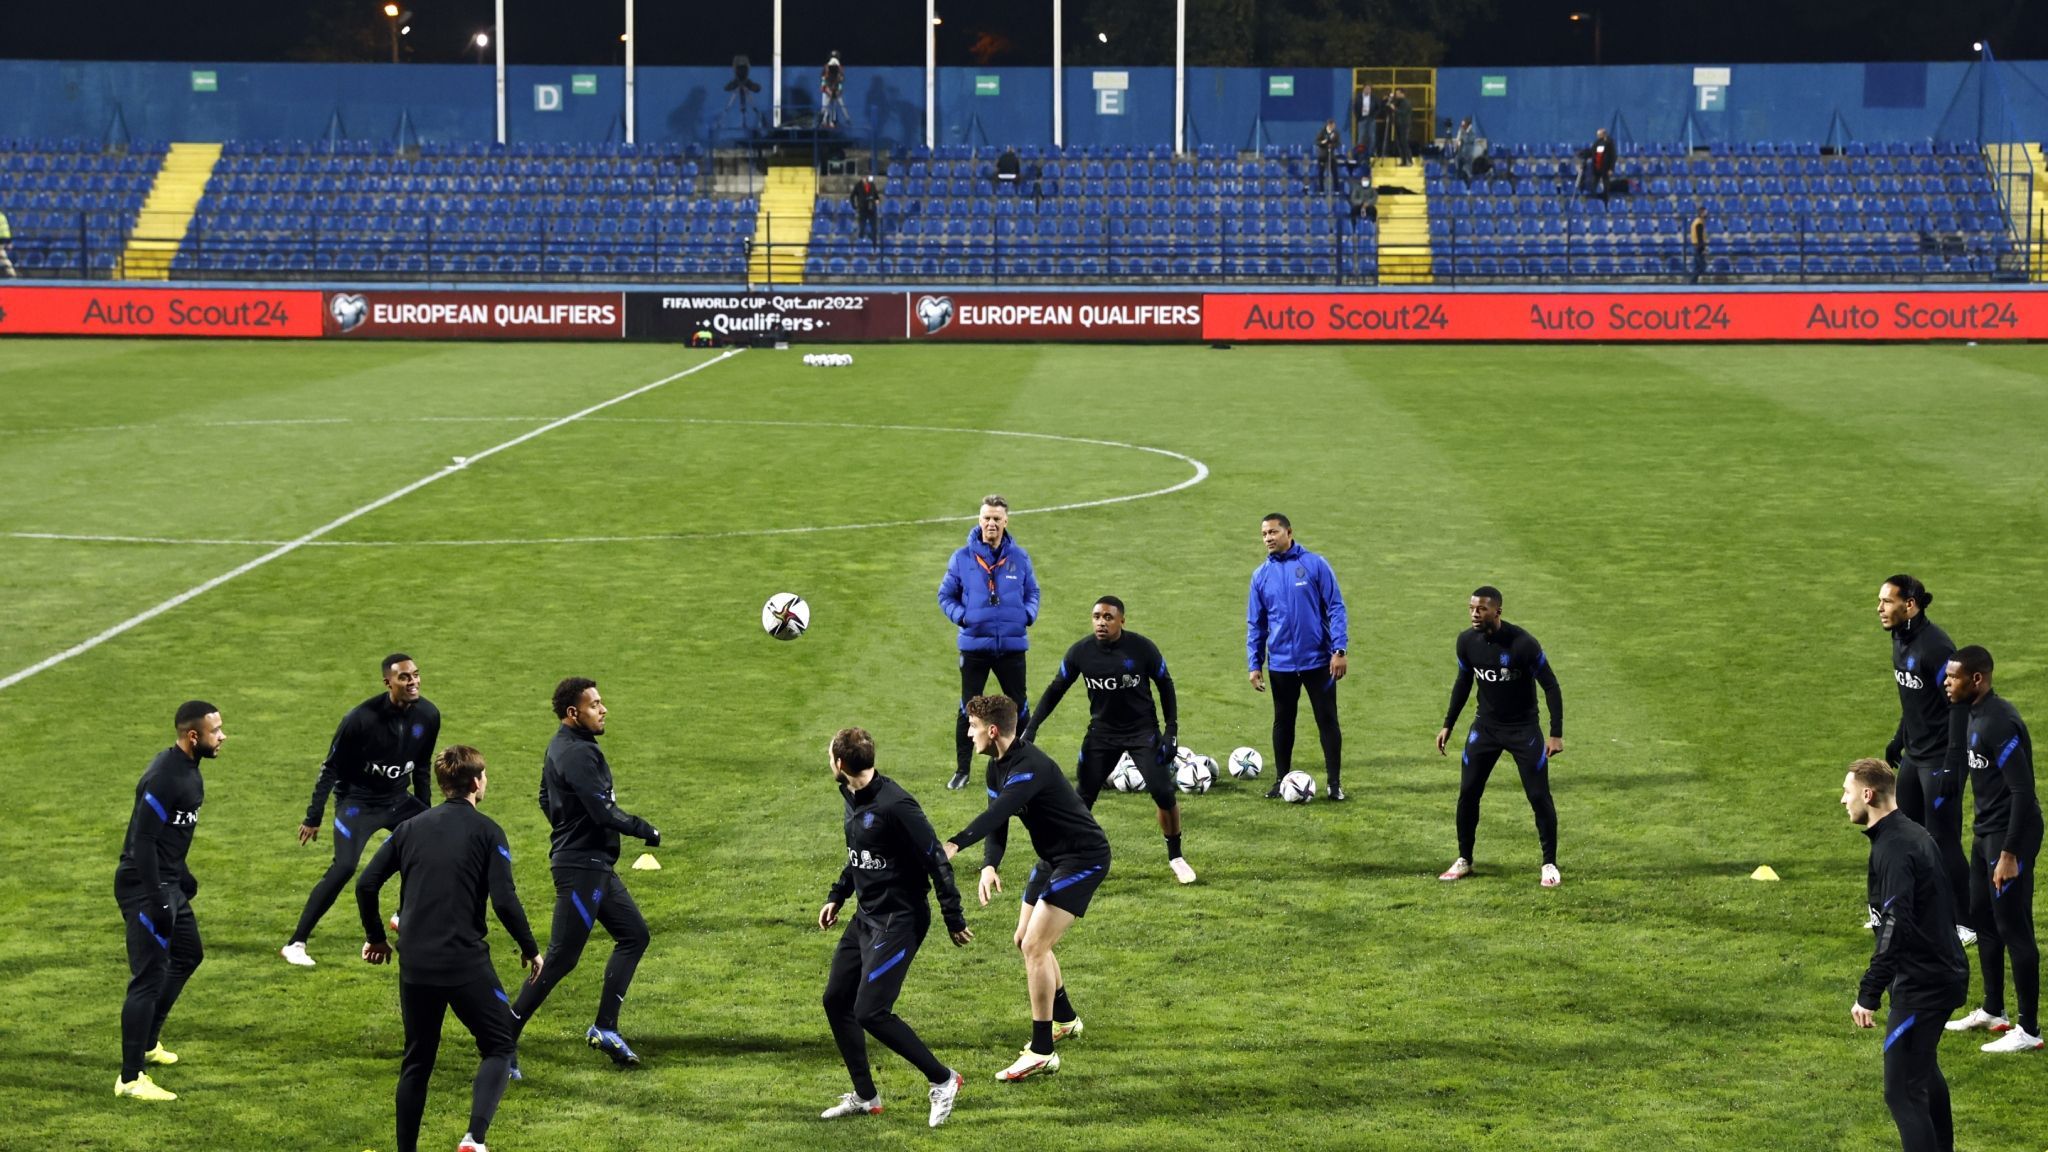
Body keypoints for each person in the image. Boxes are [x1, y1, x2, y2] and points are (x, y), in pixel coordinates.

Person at [357, 746, 540, 1152]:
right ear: (476, 782)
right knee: (499, 1045)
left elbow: (366, 884)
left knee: (418, 1062)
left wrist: (376, 937)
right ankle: (474, 1138)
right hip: (464, 962)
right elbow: (505, 900)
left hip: (416, 964)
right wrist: (530, 948)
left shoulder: (410, 828)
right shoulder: (488, 831)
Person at [944, 695, 1111, 1082]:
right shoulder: (995, 769)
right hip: (1052, 859)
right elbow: (999, 828)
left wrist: (954, 844)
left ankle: (1041, 1051)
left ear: (992, 730)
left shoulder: (1029, 767)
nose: (967, 735)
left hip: (1084, 857)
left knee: (1037, 945)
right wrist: (989, 864)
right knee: (1024, 940)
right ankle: (1065, 1020)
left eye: (971, 727)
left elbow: (995, 814)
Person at [817, 727, 972, 1127]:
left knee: (871, 1010)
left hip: (899, 921)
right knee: (836, 999)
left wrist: (953, 917)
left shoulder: (897, 805)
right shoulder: (850, 795)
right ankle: (866, 1097)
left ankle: (943, 1079)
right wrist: (837, 895)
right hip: (866, 917)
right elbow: (860, 855)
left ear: (839, 763)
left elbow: (937, 859)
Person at [509, 678, 662, 1068]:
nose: (603, 709)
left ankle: (605, 1027)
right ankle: (502, 1037)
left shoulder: (564, 746)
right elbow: (602, 812)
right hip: (581, 867)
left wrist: (567, 826)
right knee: (560, 958)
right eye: (595, 704)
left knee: (634, 935)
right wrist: (646, 830)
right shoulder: (577, 753)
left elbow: (546, 797)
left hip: (592, 864)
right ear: (573, 713)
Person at [1023, 596, 1197, 885]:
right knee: (1081, 799)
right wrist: (1031, 729)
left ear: (1122, 621)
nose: (1101, 622)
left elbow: (1165, 684)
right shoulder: (1080, 652)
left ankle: (1176, 857)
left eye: (1108, 617)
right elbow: (1056, 690)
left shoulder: (1142, 648)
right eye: (1096, 616)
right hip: (1102, 734)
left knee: (1163, 792)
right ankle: (1062, 859)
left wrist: (1171, 730)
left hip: (1143, 732)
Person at [282, 653, 441, 967]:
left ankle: (402, 915)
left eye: (416, 675)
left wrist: (427, 815)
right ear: (388, 683)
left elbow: (421, 769)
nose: (413, 682)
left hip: (398, 800)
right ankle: (296, 943)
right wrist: (313, 816)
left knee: (428, 845)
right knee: (344, 867)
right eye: (404, 677)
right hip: (358, 804)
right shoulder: (360, 719)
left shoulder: (429, 715)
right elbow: (330, 768)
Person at [1843, 758, 1970, 1152]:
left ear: (1868, 794)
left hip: (1924, 982)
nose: (1843, 801)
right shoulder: (1907, 834)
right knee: (1923, 1070)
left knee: (1901, 1091)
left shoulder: (1896, 848)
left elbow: (1896, 925)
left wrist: (1869, 991)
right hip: (1936, 971)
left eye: (1847, 792)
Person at [113, 700, 225, 1102]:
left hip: (168, 881)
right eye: (216, 731)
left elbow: (167, 837)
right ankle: (129, 1078)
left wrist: (182, 875)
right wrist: (159, 897)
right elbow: (141, 841)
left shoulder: (189, 772)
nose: (223, 736)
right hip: (146, 887)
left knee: (188, 954)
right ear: (193, 736)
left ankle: (147, 1042)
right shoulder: (163, 777)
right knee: (147, 976)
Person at [1941, 646, 2044, 1052]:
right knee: (1983, 918)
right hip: (1986, 832)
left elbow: (2023, 791)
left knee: (2014, 927)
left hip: (2009, 838)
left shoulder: (1999, 723)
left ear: (1977, 679)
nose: (1946, 683)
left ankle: (2030, 1030)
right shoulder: (1973, 715)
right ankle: (1993, 1011)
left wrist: (2010, 854)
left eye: (1954, 677)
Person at [1434, 587, 1564, 887]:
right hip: (1486, 728)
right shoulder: (1467, 642)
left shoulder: (1524, 644)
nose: (1474, 614)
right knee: (1468, 793)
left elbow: (1551, 686)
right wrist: (1448, 724)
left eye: (1481, 609)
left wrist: (1555, 733)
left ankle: (1549, 864)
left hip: (1524, 731)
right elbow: (1463, 681)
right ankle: (1464, 859)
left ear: (1497, 611)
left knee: (1538, 796)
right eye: (1471, 608)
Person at [1879, 575, 1973, 948]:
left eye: (1887, 601)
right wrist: (1898, 737)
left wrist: (1953, 760)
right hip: (1915, 757)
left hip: (1939, 758)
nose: (1880, 608)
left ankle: (1966, 922)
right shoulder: (1899, 641)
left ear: (1911, 605)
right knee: (1907, 835)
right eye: (1880, 601)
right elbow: (1914, 701)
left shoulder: (1936, 646)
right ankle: (1919, 911)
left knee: (1943, 840)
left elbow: (1958, 703)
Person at [939, 495, 1041, 790]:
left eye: (997, 518)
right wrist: (964, 617)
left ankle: (1021, 763)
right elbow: (945, 595)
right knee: (968, 707)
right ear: (979, 520)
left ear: (1006, 521)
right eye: (986, 518)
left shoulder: (1019, 557)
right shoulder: (962, 558)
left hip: (1011, 645)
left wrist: (1027, 614)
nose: (991, 523)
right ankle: (962, 769)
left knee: (1019, 706)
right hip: (974, 647)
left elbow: (1033, 592)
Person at [1247, 513, 1349, 801]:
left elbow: (1336, 608)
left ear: (1288, 532)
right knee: (1283, 722)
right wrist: (1255, 664)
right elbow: (1257, 624)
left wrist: (1339, 650)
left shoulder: (1314, 564)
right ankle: (1281, 780)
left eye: (1273, 532)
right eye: (1264, 534)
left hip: (1318, 661)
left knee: (1327, 720)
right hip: (1281, 663)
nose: (1268, 538)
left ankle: (1334, 783)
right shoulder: (1260, 576)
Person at [1578, 128, 1615, 197]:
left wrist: (1611, 168)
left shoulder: (1609, 143)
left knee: (1606, 185)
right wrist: (1583, 154)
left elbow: (1613, 156)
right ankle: (1594, 197)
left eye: (1599, 134)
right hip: (1597, 167)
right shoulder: (1597, 142)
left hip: (1605, 167)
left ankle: (1605, 199)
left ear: (1603, 134)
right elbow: (1592, 152)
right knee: (1594, 183)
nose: (1597, 136)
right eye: (1597, 135)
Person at [850, 174, 882, 249]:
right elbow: (852, 196)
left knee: (874, 229)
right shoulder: (858, 186)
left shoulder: (872, 185)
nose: (865, 179)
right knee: (862, 228)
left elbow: (876, 196)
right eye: (864, 177)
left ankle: (874, 247)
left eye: (866, 177)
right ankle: (861, 247)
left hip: (872, 209)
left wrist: (877, 200)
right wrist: (854, 206)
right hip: (862, 209)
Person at [820, 51, 850, 129]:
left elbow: (840, 81)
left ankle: (846, 119)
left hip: (836, 90)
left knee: (840, 105)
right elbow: (823, 81)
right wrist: (827, 90)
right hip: (827, 90)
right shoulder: (826, 68)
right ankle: (823, 121)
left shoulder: (840, 69)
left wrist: (838, 90)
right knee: (825, 107)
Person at [1353, 84, 1379, 162]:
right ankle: (1360, 154)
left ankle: (1371, 153)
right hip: (1362, 119)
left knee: (1372, 137)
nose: (1368, 90)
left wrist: (1374, 115)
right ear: (1363, 89)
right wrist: (1358, 117)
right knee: (1361, 138)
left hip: (1371, 119)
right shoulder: (1358, 97)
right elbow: (1355, 108)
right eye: (1367, 89)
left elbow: (1378, 107)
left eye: (1369, 89)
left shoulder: (1374, 98)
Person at [1314, 119, 1341, 194]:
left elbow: (1338, 143)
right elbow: (1317, 142)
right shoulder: (1322, 132)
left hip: (1331, 155)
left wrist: (1332, 145)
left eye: (1334, 126)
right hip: (1323, 155)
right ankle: (1321, 189)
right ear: (1328, 125)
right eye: (1331, 125)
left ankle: (1336, 189)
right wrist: (1323, 142)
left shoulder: (1336, 133)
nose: (1333, 127)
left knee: (1335, 172)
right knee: (1321, 172)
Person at [1388, 88, 1413, 166]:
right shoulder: (1398, 102)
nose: (1396, 95)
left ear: (1403, 94)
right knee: (1399, 143)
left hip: (1404, 125)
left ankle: (1409, 160)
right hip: (1398, 125)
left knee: (1404, 143)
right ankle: (1403, 161)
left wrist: (1394, 109)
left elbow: (1403, 112)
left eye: (1398, 93)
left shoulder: (1406, 103)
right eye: (1396, 93)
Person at [1449, 118, 1478, 182]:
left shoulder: (1472, 132)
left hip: (1468, 155)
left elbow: (1467, 140)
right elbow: (1458, 141)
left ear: (1468, 125)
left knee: (1468, 171)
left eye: (1464, 124)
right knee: (1459, 170)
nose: (1462, 126)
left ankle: (1469, 184)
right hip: (1460, 155)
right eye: (1462, 124)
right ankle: (1460, 183)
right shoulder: (1461, 131)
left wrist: (1465, 132)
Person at [1689, 207, 1708, 283]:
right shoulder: (1699, 223)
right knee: (1701, 266)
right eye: (1705, 212)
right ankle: (1692, 281)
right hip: (1698, 246)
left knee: (1698, 266)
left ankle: (1693, 282)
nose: (1706, 214)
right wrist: (1703, 249)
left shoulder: (1696, 221)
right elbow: (1699, 236)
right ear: (1701, 213)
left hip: (1696, 245)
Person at [0, 207, 15, 277]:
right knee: (3, 257)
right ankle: (11, 272)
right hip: (4, 239)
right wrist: (9, 241)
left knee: (3, 257)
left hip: (1, 239)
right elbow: (6, 230)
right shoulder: (2, 216)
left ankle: (12, 273)